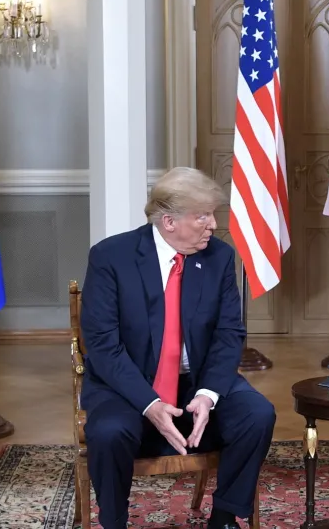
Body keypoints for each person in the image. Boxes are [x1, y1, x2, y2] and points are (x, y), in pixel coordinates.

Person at [79, 167, 276, 529]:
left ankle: (224, 517)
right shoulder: (111, 257)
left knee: (257, 414)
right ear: (168, 221)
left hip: (196, 380)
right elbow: (104, 347)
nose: (212, 225)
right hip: (128, 387)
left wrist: (208, 395)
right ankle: (114, 522)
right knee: (108, 433)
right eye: (202, 215)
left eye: (213, 214)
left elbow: (229, 333)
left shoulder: (218, 258)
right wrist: (150, 404)